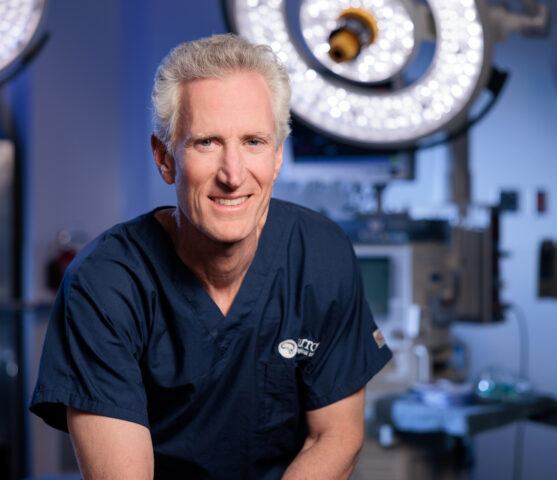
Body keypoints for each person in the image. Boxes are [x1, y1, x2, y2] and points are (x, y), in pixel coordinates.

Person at [30, 33, 392, 479]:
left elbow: (334, 437)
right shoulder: (105, 285)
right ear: (165, 159)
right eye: (207, 142)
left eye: (254, 142)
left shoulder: (321, 255)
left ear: (278, 157)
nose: (233, 174)